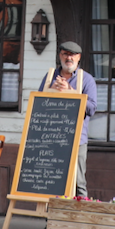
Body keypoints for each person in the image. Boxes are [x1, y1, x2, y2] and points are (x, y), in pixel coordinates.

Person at [38, 40, 97, 199]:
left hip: (77, 140)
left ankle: (79, 222)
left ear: (79, 58)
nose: (68, 58)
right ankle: (51, 222)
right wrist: (52, 91)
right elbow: (39, 106)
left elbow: (91, 108)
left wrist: (72, 93)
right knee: (52, 182)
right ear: (60, 56)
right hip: (52, 139)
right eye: (65, 54)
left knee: (78, 183)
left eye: (72, 55)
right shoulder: (50, 77)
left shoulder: (86, 80)